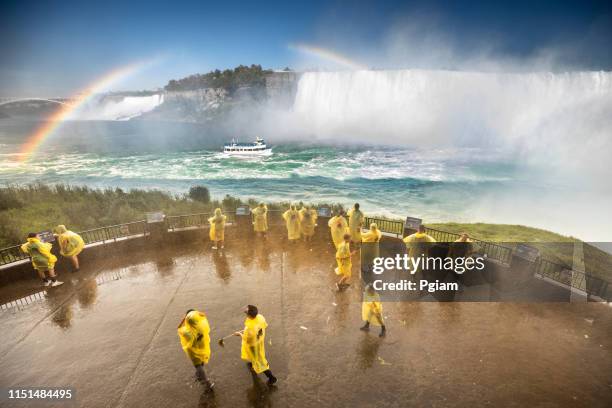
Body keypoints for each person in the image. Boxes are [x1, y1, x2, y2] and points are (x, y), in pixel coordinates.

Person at [234, 305, 277, 386]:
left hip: (253, 346)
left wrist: (239, 334)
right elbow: (263, 325)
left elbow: (247, 339)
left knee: (260, 362)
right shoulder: (260, 317)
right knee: (257, 358)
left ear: (250, 315)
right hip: (259, 342)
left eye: (246, 312)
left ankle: (271, 377)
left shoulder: (250, 329)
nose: (245, 313)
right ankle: (253, 363)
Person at [177, 309, 215, 390]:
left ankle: (207, 382)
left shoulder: (187, 331)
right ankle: (199, 374)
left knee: (197, 365)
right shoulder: (202, 327)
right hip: (202, 346)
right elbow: (203, 316)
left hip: (193, 350)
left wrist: (183, 319)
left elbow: (179, 328)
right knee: (201, 362)